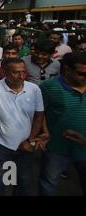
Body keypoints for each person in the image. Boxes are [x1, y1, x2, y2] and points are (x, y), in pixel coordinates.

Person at [0, 58, 45, 196]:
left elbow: (39, 116)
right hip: (2, 144)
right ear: (5, 72)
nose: (21, 76)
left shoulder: (34, 89)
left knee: (24, 178)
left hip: (25, 145)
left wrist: (30, 140)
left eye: (23, 72)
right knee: (3, 178)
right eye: (16, 72)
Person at [39, 52, 86, 195]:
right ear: (67, 69)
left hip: (84, 149)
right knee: (49, 183)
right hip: (57, 148)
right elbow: (40, 113)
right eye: (81, 73)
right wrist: (45, 133)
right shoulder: (48, 87)